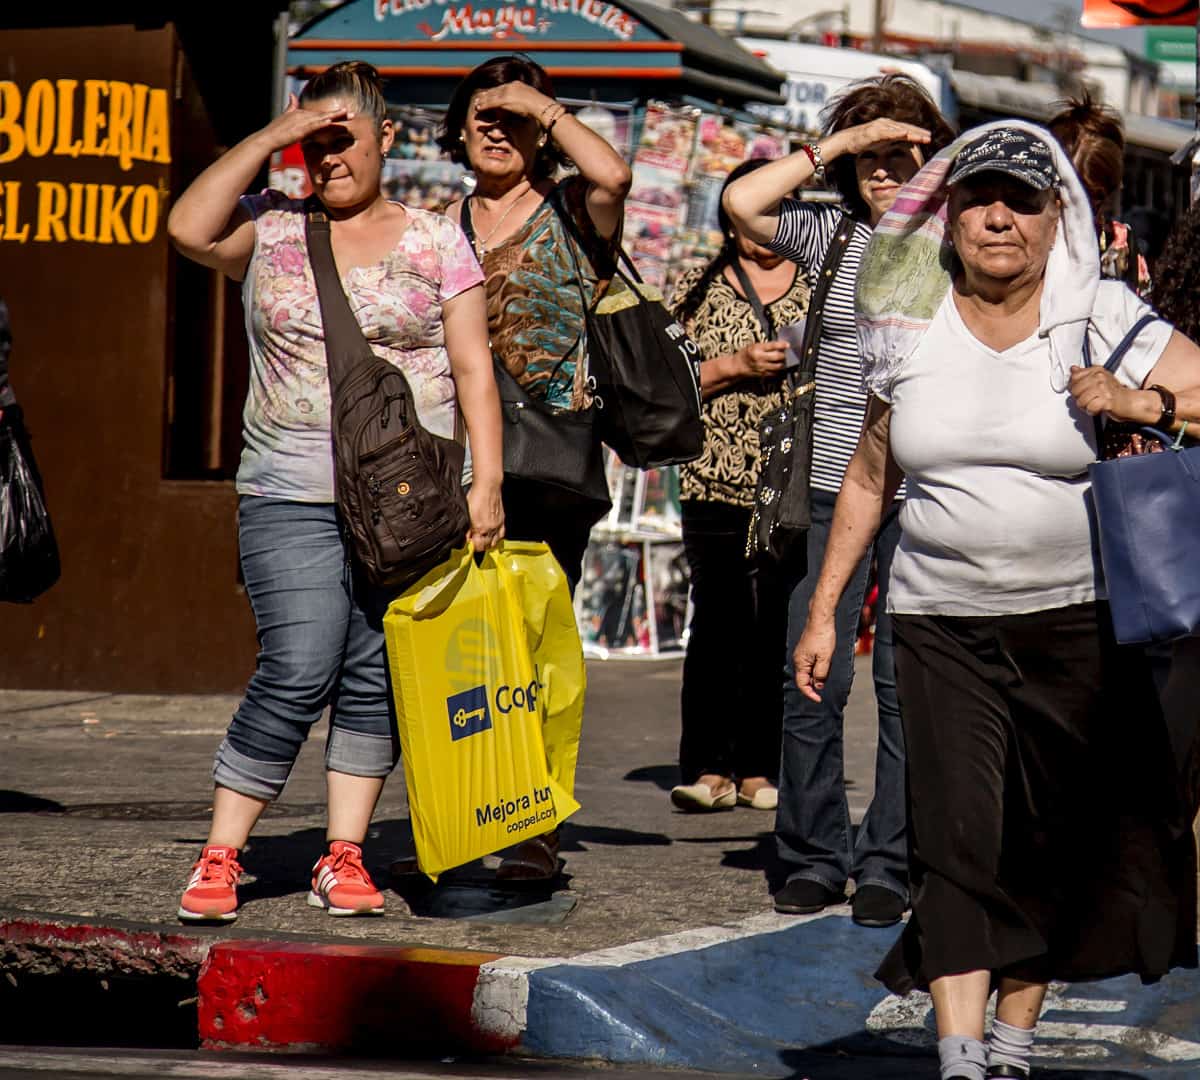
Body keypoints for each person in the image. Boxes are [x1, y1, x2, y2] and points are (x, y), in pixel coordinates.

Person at [793, 121, 1200, 1080]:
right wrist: (823, 610)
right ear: (950, 212)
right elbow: (866, 475)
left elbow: (1194, 385)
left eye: (1022, 200)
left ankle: (1014, 1038)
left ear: (1057, 216)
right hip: (936, 623)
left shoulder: (1097, 311)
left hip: (1077, 625)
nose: (999, 218)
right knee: (955, 839)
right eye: (980, 198)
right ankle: (963, 1054)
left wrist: (1148, 405)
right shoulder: (910, 318)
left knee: (1048, 842)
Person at [167, 61, 504, 922]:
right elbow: (185, 226)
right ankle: (223, 852)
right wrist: (271, 137)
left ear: (386, 136)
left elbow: (473, 368)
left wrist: (487, 485)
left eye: (343, 136)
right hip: (289, 491)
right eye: (313, 142)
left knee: (374, 674)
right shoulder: (270, 230)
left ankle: (343, 854)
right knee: (298, 661)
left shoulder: (436, 240)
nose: (327, 157)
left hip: (409, 500)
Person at [722, 75, 954, 928]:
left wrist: (935, 164)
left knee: (904, 681)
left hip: (928, 490)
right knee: (811, 675)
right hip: (831, 485)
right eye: (873, 158)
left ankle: (891, 859)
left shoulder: (957, 238)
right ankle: (816, 853)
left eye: (903, 156)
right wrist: (838, 149)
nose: (886, 172)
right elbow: (743, 203)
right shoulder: (834, 231)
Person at [437, 54, 631, 881]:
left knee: (535, 646)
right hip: (452, 459)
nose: (497, 128)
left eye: (513, 118)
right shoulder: (438, 225)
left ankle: (536, 817)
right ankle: (470, 806)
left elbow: (613, 172)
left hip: (551, 462)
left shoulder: (572, 211)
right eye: (482, 115)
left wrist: (535, 106)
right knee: (464, 648)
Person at [667, 159, 811, 814]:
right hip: (713, 474)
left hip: (792, 479)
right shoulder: (694, 285)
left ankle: (759, 765)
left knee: (776, 621)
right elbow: (664, 381)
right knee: (719, 618)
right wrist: (732, 366)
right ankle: (708, 765)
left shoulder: (822, 281)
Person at [1047, 94, 1150, 295]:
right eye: (1064, 192)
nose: (1076, 206)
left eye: (1092, 198)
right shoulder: (1027, 237)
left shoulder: (1121, 246)